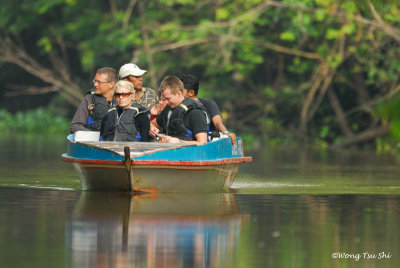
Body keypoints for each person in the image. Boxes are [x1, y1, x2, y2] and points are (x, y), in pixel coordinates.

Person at [178, 74, 236, 144]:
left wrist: (226, 133)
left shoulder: (207, 103)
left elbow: (218, 123)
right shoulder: (177, 106)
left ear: (191, 93)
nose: (176, 94)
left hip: (208, 141)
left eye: (180, 91)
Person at [150, 76, 208, 145]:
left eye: (168, 98)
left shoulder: (195, 112)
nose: (166, 102)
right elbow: (152, 124)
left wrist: (177, 142)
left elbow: (202, 143)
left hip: (190, 153)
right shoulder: (168, 109)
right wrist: (152, 129)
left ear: (179, 93)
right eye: (164, 99)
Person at [70, 67, 118, 133]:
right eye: (95, 81)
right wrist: (94, 136)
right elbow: (75, 126)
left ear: (111, 84)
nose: (95, 84)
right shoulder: (89, 99)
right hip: (93, 139)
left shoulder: (122, 99)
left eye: (99, 82)